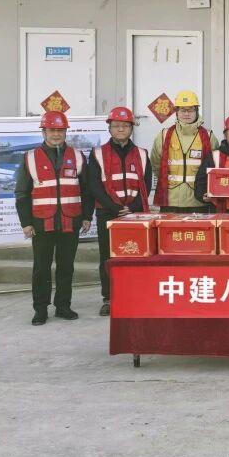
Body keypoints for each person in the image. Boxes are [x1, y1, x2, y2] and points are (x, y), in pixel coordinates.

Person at [14, 112, 93, 326]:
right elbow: (21, 193)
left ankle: (63, 306)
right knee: (41, 268)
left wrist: (87, 216)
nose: (56, 134)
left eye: (60, 130)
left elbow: (86, 191)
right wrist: (26, 223)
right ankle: (40, 309)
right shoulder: (30, 158)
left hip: (71, 221)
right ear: (44, 132)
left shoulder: (77, 156)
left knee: (66, 267)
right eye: (52, 130)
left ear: (66, 132)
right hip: (41, 223)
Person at [86, 106, 152, 317]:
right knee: (108, 257)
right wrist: (115, 207)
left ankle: (134, 296)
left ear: (131, 128)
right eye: (116, 125)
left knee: (135, 255)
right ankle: (109, 298)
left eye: (125, 125)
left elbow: (146, 184)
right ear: (109, 128)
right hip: (107, 212)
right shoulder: (97, 154)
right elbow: (94, 185)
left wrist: (132, 207)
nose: (121, 129)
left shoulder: (142, 154)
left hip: (134, 213)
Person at [150, 90, 218, 213]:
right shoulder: (164, 135)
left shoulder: (209, 137)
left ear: (197, 111)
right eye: (182, 110)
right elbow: (156, 165)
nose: (187, 114)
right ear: (176, 112)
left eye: (191, 110)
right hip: (170, 200)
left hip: (198, 200)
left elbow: (215, 168)